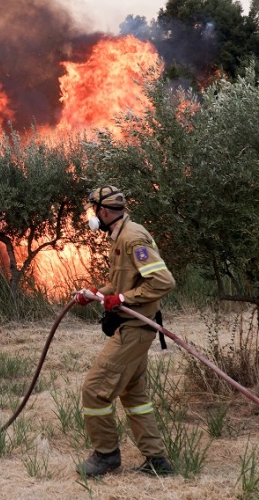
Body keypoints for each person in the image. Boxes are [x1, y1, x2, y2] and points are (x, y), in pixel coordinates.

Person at [71, 185, 176, 477]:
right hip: (135, 327)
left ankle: (106, 456)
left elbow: (163, 282)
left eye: (95, 211)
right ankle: (157, 461)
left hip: (135, 328)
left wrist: (124, 300)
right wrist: (95, 293)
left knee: (94, 390)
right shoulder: (122, 236)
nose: (94, 216)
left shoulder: (132, 238)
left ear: (103, 212)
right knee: (134, 396)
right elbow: (122, 285)